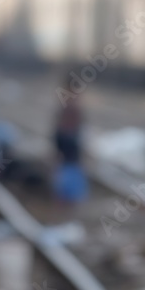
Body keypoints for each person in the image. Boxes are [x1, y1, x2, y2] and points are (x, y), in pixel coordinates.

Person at [53, 74, 88, 203]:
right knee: (65, 189)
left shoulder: (73, 108)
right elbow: (60, 132)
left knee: (71, 189)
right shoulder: (68, 108)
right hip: (67, 155)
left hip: (72, 156)